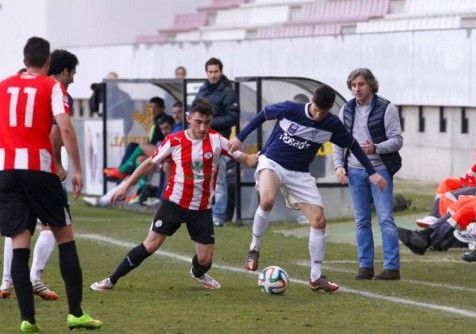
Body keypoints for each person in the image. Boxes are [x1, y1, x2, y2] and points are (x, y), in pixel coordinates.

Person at [229, 85, 387, 292]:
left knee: (319, 220)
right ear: (311, 101)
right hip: (273, 162)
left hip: (300, 173)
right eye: (316, 109)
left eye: (324, 111)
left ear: (329, 109)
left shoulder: (332, 124)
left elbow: (353, 145)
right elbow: (263, 115)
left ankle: (316, 277)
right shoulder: (290, 109)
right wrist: (240, 138)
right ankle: (254, 249)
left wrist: (371, 172)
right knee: (266, 200)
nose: (318, 114)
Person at [90, 98, 257, 292]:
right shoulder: (174, 141)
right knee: (150, 245)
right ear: (188, 118)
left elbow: (246, 159)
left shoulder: (218, 140)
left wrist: (259, 158)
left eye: (207, 122)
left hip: (201, 208)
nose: (203, 127)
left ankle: (197, 272)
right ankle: (111, 280)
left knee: (205, 259)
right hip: (174, 203)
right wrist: (126, 185)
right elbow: (149, 163)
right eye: (198, 122)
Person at [0, 36, 102, 332]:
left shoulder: (4, 86)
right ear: (47, 62)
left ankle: (27, 320)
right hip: (40, 170)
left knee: (19, 243)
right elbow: (65, 128)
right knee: (65, 236)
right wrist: (78, 169)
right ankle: (75, 313)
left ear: (23, 60)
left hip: (7, 171)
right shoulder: (51, 86)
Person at [0, 49, 80, 302]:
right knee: (53, 225)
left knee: (18, 226)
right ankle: (35, 278)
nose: (74, 78)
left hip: (12, 164)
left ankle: (6, 281)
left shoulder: (18, 87)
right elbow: (57, 131)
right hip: (40, 167)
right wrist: (58, 163)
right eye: (73, 72)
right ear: (64, 70)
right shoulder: (56, 90)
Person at [333, 68, 403, 281]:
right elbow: (338, 141)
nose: (357, 89)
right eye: (353, 85)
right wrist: (339, 166)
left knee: (385, 218)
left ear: (370, 85)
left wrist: (376, 148)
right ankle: (365, 266)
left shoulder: (386, 108)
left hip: (380, 170)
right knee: (361, 220)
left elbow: (397, 140)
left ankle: (392, 268)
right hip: (354, 171)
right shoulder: (345, 110)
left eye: (361, 84)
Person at [415, 115, 476, 228]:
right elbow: (474, 172)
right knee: (447, 183)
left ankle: (440, 224)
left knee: (449, 197)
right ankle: (434, 216)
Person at [83, 112, 174, 207]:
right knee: (139, 161)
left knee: (142, 147)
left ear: (173, 126)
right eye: (162, 129)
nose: (164, 131)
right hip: (160, 163)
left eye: (166, 128)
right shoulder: (165, 138)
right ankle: (106, 199)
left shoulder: (177, 134)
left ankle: (122, 172)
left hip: (168, 163)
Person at [196, 57, 239, 227]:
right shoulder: (203, 90)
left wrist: (207, 123)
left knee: (219, 180)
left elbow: (233, 117)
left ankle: (219, 215)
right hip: (199, 141)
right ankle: (199, 211)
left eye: (216, 71)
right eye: (210, 72)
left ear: (221, 71)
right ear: (206, 72)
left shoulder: (228, 92)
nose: (213, 75)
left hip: (218, 141)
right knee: (199, 176)